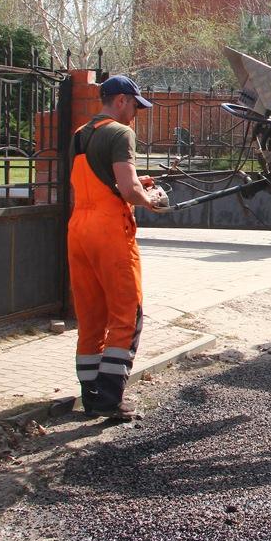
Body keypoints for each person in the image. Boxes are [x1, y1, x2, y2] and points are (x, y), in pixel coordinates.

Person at [68, 75, 167, 421]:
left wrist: (138, 184)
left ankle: (91, 395)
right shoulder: (121, 133)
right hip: (110, 231)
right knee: (127, 313)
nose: (136, 113)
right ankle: (111, 398)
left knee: (91, 315)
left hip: (79, 229)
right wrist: (151, 199)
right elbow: (127, 190)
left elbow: (102, 179)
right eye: (136, 106)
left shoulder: (81, 134)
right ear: (122, 100)